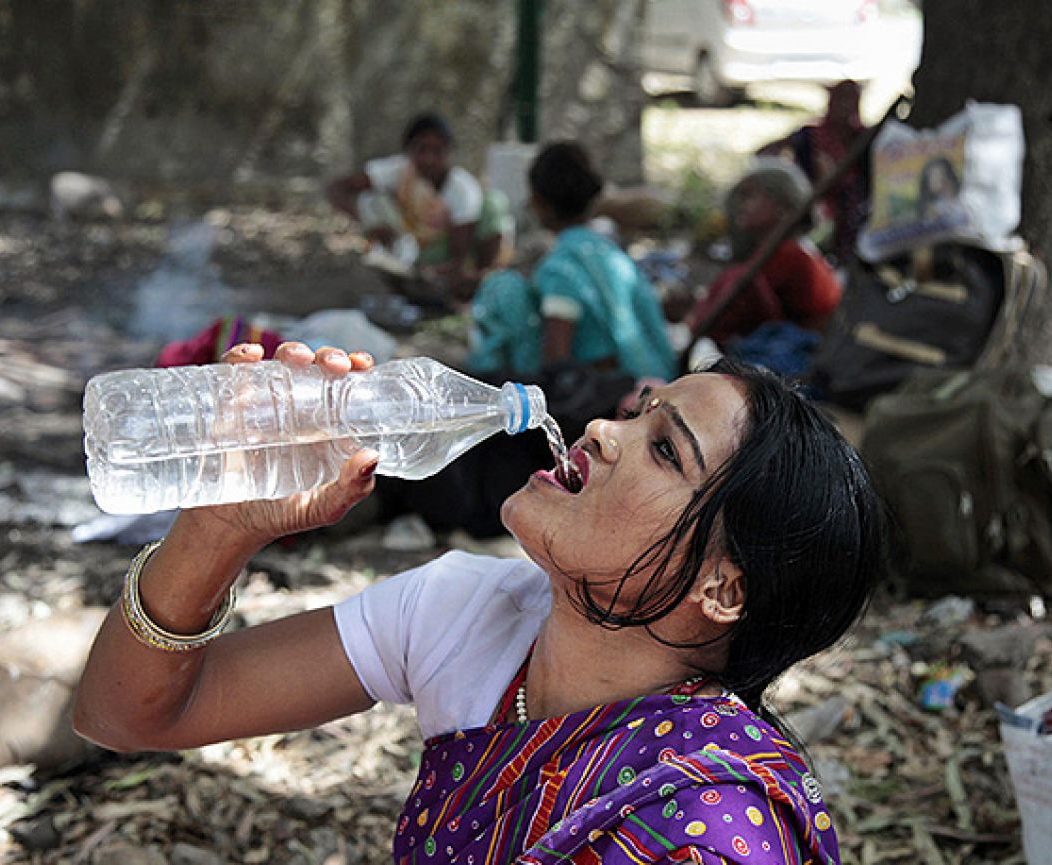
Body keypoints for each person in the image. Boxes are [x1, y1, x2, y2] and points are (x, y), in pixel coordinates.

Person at [74, 340, 887, 864]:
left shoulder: (706, 833)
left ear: (723, 587)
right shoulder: (470, 608)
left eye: (664, 449)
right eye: (639, 413)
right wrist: (220, 525)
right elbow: (126, 714)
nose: (601, 430)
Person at [467, 140, 677, 383]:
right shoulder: (608, 252)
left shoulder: (561, 267)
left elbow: (556, 360)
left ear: (538, 202)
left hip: (623, 393)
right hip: (661, 376)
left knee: (503, 287)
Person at [326, 112, 510, 300]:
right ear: (408, 150)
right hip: (406, 246)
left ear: (448, 152)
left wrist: (433, 272)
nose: (428, 159)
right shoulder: (398, 171)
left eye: (437, 151)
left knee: (493, 203)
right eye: (422, 149)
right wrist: (368, 224)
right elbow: (337, 188)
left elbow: (458, 257)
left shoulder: (462, 189)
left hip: (443, 256)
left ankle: (483, 280)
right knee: (371, 200)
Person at [685, 161, 843, 348]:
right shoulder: (774, 252)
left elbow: (730, 317)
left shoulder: (789, 255)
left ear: (782, 206)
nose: (741, 205)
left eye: (749, 196)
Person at [757, 79, 869, 265]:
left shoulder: (864, 138)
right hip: (817, 209)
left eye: (851, 100)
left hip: (854, 211)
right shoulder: (809, 136)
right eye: (840, 100)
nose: (845, 107)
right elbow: (765, 152)